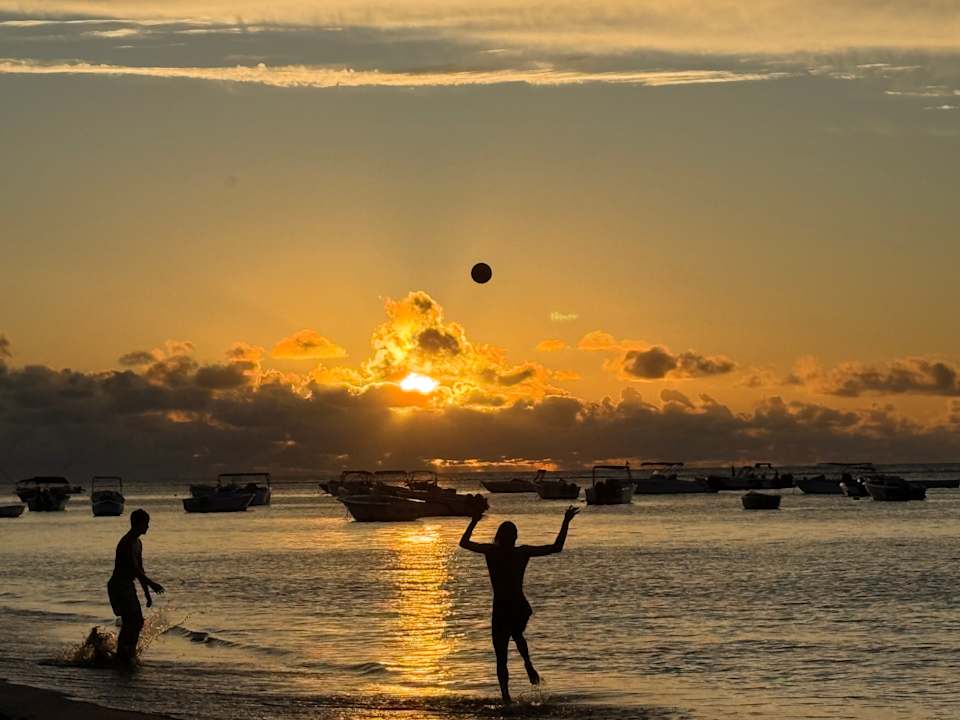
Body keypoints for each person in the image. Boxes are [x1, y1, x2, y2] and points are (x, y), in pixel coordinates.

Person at [459, 505, 579, 704]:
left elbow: (464, 543)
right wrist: (565, 522)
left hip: (502, 606)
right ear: (514, 538)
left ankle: (506, 697)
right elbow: (555, 547)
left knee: (501, 656)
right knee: (516, 634)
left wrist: (474, 521)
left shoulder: (492, 551)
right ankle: (527, 664)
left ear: (499, 536)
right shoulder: (521, 553)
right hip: (518, 605)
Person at [107, 509, 165, 665]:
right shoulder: (127, 542)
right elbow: (134, 569)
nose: (148, 526)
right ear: (138, 524)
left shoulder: (138, 542)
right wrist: (152, 584)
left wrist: (147, 593)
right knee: (133, 621)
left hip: (127, 584)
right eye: (146, 523)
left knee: (136, 622)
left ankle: (127, 654)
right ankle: (123, 655)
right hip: (119, 585)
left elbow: (140, 569)